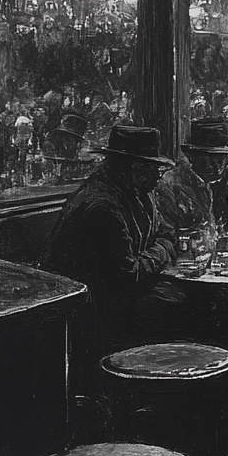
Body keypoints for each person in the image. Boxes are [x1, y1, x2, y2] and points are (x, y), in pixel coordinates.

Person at [42, 126, 182, 352]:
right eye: (153, 166)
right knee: (177, 304)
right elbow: (128, 275)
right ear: (131, 166)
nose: (159, 174)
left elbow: (163, 231)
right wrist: (164, 250)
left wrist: (161, 244)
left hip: (116, 295)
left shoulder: (138, 193)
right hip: (88, 308)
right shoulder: (102, 206)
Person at [156, 117, 228, 242]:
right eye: (208, 159)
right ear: (192, 156)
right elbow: (165, 235)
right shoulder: (170, 184)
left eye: (221, 159)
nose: (217, 167)